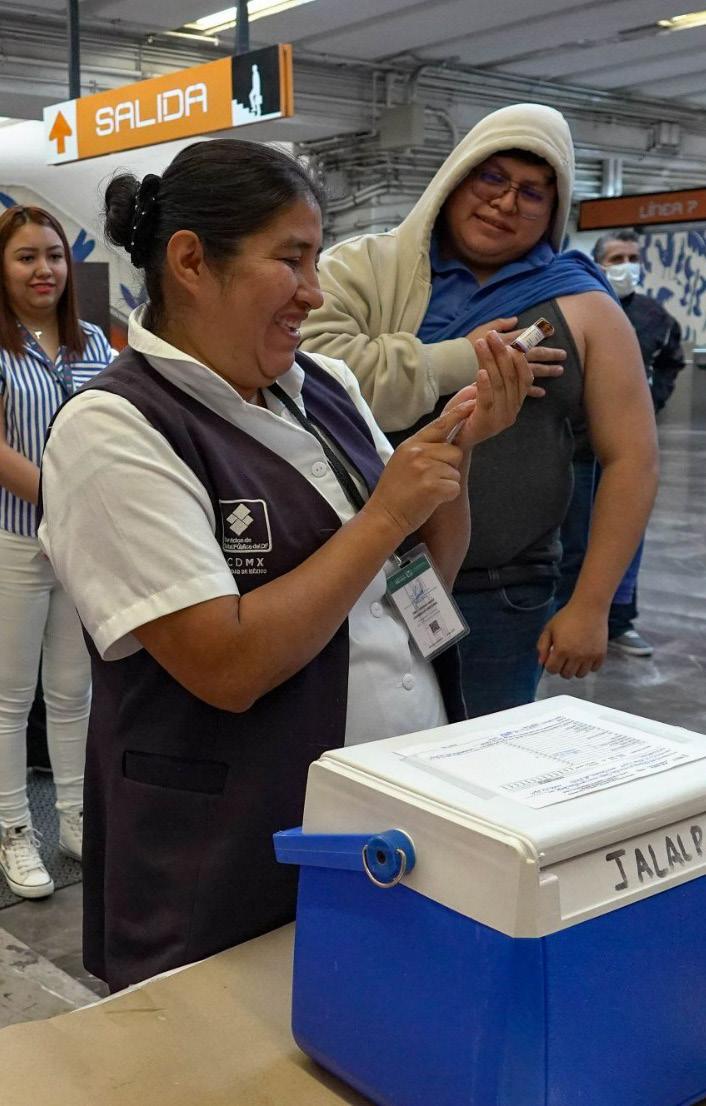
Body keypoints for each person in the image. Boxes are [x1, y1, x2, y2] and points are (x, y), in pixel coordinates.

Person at [38, 140, 532, 991]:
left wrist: (454, 455)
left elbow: (421, 586)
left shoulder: (325, 384)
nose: (315, 291)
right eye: (291, 259)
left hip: (391, 824)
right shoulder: (114, 428)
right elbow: (226, 665)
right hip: (228, 858)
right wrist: (386, 512)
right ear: (191, 261)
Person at [301, 102, 659, 717]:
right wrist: (456, 358)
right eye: (492, 178)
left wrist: (592, 604)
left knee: (478, 756)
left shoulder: (584, 306)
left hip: (503, 594)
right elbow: (305, 373)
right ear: (455, 178)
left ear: (554, 210)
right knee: (357, 753)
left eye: (533, 192)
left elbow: (633, 459)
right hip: (356, 575)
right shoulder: (373, 271)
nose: (506, 202)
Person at [0, 205, 113, 899]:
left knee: (74, 692)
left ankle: (76, 819)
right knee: (10, 699)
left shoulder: (94, 342)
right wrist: (62, 497)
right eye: (25, 257)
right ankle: (14, 829)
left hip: (80, 544)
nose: (43, 269)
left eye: (53, 255)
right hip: (15, 538)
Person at [560, 228, 685, 658]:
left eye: (633, 257)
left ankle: (618, 619)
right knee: (573, 539)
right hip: (577, 449)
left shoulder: (654, 316)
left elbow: (671, 362)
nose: (627, 266)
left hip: (626, 449)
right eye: (617, 258)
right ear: (598, 263)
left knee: (625, 538)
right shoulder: (577, 307)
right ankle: (565, 615)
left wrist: (653, 400)